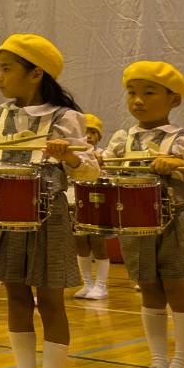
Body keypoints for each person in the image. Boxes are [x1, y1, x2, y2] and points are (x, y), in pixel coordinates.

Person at [0, 34, 97, 368]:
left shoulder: (65, 117)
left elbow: (89, 171)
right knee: (16, 298)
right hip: (5, 215)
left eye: (6, 69)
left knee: (50, 301)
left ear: (36, 73)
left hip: (47, 216)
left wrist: (69, 156)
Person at [102, 62, 184, 368]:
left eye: (149, 93)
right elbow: (102, 174)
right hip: (135, 226)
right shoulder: (122, 139)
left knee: (179, 291)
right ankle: (157, 361)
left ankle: (182, 366)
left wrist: (183, 167)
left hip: (176, 223)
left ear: (174, 99)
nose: (138, 100)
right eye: (132, 93)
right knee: (150, 292)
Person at [74, 114, 114, 300]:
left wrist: (101, 163)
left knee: (98, 243)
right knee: (81, 243)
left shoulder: (104, 155)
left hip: (97, 204)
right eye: (85, 132)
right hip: (78, 203)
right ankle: (87, 284)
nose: (89, 136)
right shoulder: (73, 155)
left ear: (99, 136)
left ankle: (101, 285)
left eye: (93, 132)